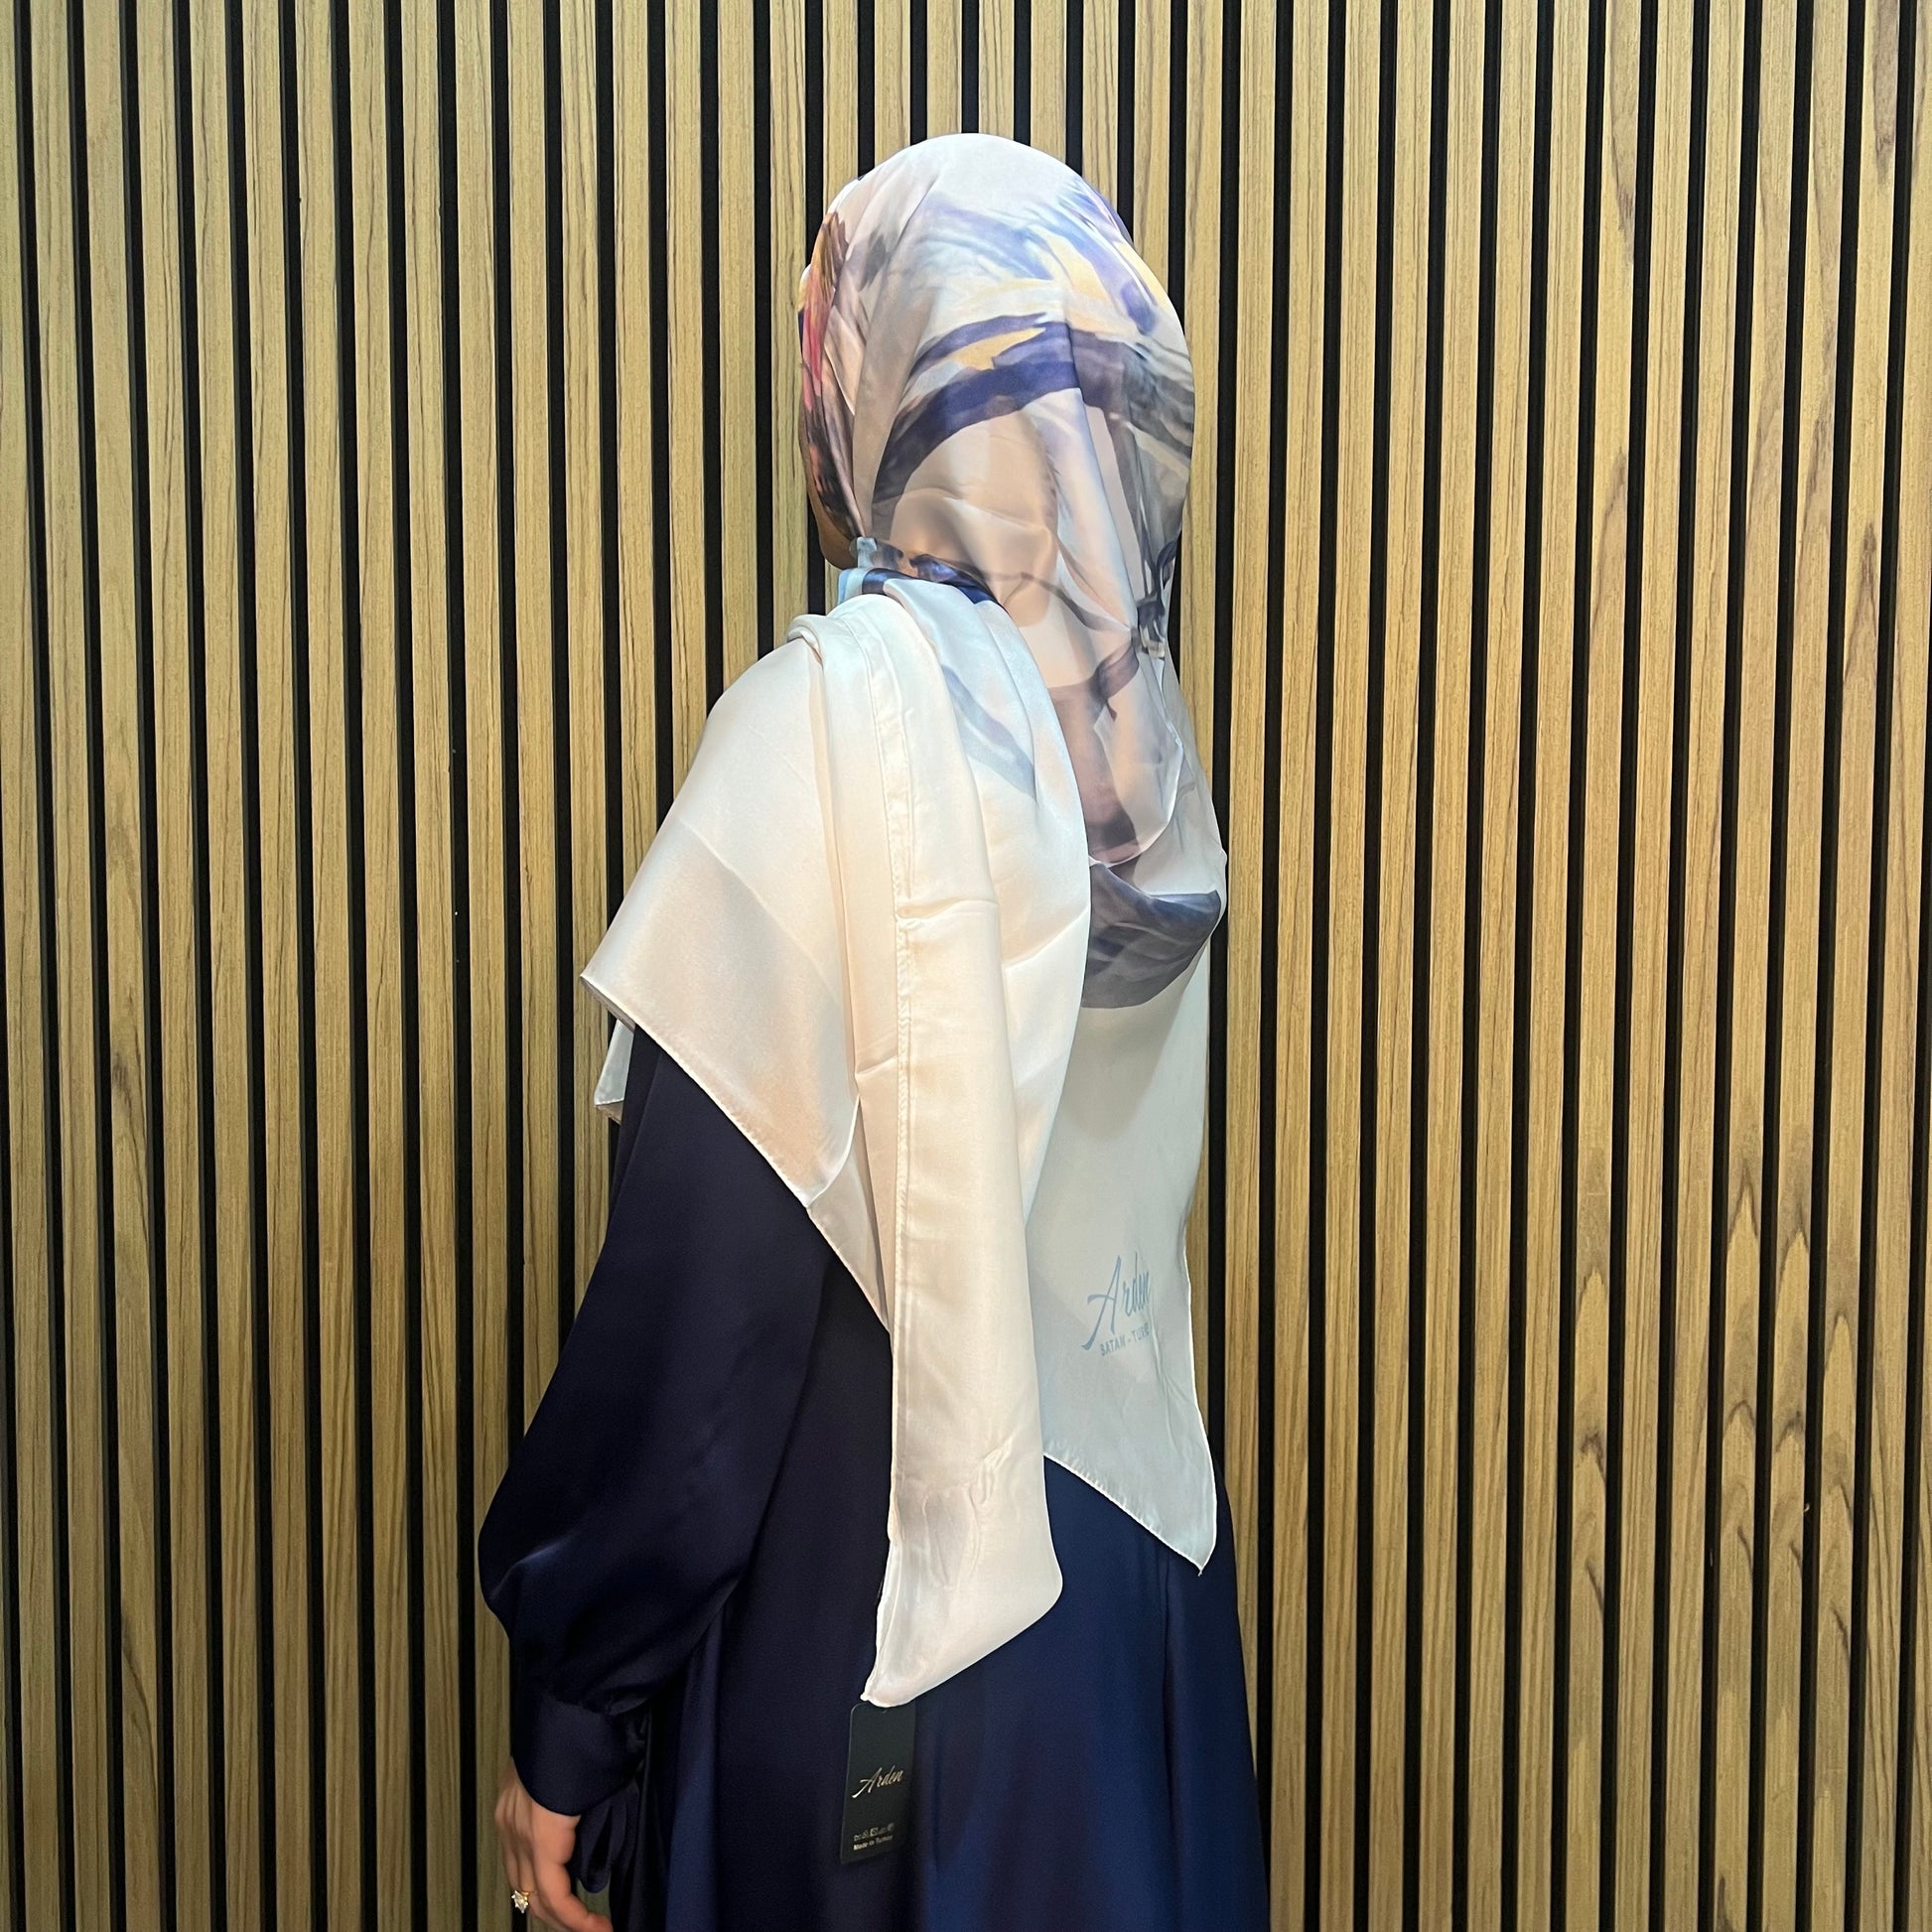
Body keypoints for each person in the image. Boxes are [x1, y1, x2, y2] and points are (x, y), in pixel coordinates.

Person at [481, 132, 1269, 1932]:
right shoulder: (1146, 781)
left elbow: (701, 1321)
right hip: (1131, 1631)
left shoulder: (828, 731)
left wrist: (573, 1710)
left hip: (883, 1647)